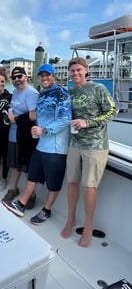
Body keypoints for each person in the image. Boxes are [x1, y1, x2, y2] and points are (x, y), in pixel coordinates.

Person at [2, 64, 71, 224]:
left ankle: (46, 210)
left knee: (53, 183)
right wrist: (35, 130)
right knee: (33, 175)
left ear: (53, 76)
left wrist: (44, 130)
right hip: (41, 145)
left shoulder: (61, 93)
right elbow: (37, 117)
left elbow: (65, 119)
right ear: (38, 78)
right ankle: (20, 204)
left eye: (48, 75)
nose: (44, 78)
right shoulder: (42, 95)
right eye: (42, 76)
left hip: (56, 147)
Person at [61, 56, 117, 247]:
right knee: (71, 183)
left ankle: (88, 226)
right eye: (72, 70)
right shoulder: (69, 93)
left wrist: (88, 122)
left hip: (95, 145)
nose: (75, 73)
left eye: (79, 70)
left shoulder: (97, 88)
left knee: (89, 186)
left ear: (85, 71)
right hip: (75, 143)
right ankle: (71, 219)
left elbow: (113, 111)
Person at [3, 66, 39, 208]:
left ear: (26, 77)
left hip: (26, 136)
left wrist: (15, 119)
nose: (17, 79)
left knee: (27, 165)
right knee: (14, 165)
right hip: (13, 134)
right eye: (14, 77)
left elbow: (33, 116)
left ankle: (31, 194)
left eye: (19, 76)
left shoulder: (32, 93)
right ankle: (13, 188)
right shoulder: (15, 92)